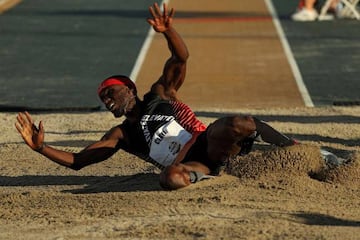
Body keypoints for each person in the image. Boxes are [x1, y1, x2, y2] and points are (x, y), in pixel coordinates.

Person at [15, 2, 298, 190]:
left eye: (110, 92)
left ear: (130, 89)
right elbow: (79, 161)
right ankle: (219, 178)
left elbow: (181, 56)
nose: (106, 99)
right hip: (194, 164)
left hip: (209, 143)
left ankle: (292, 148)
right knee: (171, 178)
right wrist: (41, 148)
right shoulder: (122, 134)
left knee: (239, 123)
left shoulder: (160, 94)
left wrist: (168, 31)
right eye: (103, 98)